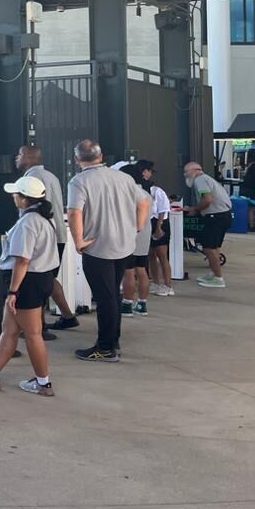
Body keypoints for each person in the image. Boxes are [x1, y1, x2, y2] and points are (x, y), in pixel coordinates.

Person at [0, 175, 58, 396]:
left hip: (27, 282)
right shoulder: (44, 219)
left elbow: (22, 260)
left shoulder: (28, 223)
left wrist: (13, 291)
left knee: (32, 333)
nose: (13, 198)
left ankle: (43, 382)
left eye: (16, 194)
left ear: (24, 199)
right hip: (41, 278)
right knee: (9, 330)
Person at [66, 140, 148, 363]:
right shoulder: (123, 178)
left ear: (77, 159)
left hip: (98, 247)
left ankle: (105, 348)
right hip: (124, 246)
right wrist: (137, 227)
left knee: (105, 298)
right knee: (113, 293)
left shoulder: (79, 181)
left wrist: (78, 241)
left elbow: (74, 213)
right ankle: (113, 340)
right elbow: (144, 203)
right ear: (101, 157)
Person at [15, 145, 81, 335]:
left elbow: (27, 213)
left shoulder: (29, 180)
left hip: (40, 237)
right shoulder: (51, 176)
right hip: (56, 234)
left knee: (37, 279)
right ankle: (67, 316)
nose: (16, 158)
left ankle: (38, 326)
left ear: (29, 157)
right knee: (48, 279)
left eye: (20, 155)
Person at [113, 163, 153, 318]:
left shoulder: (126, 194)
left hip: (129, 236)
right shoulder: (146, 194)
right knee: (142, 270)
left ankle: (127, 304)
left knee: (128, 272)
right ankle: (142, 304)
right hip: (144, 236)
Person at [183, 161, 231, 288]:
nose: (185, 175)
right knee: (214, 247)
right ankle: (214, 273)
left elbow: (207, 199)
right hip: (224, 215)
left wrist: (195, 209)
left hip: (215, 216)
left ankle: (218, 278)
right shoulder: (208, 179)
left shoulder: (200, 181)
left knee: (208, 248)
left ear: (195, 170)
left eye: (186, 172)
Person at [141, 161, 174, 297]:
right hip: (146, 223)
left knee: (162, 254)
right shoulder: (141, 190)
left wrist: (159, 227)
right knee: (150, 255)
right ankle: (155, 282)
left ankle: (167, 285)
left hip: (159, 222)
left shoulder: (158, 191)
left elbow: (163, 210)